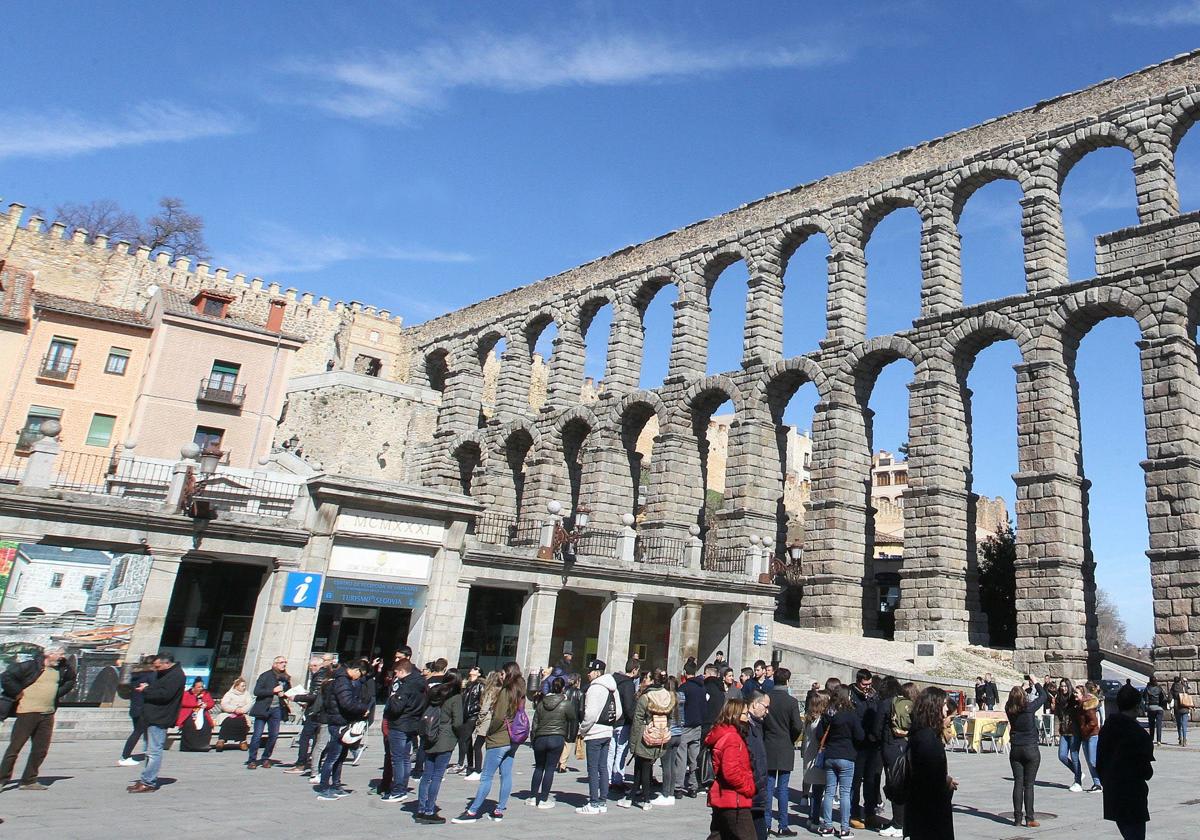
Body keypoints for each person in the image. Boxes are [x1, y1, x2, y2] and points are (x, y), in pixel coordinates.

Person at [453, 661, 526, 823]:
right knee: (506, 775)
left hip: (499, 739)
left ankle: (472, 812)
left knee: (486, 777)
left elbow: (498, 717)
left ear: (507, 673)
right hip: (513, 739)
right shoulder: (521, 691)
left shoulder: (506, 692)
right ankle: (499, 810)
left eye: (502, 673)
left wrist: (489, 731)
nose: (500, 676)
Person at [0, 648, 76, 790]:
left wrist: (57, 693)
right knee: (15, 748)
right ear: (49, 654)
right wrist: (17, 692)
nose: (62, 657)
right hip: (27, 712)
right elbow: (6, 677)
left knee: (40, 749)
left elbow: (71, 680)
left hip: (47, 713)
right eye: (60, 654)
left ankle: (29, 780)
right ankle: (2, 779)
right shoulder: (30, 666)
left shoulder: (61, 669)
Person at [1096, 684, 1155, 840]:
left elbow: (1099, 763)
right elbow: (1146, 772)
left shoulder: (1107, 728)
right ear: (1137, 706)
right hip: (1133, 794)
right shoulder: (1139, 734)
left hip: (1113, 791)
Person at [127, 652, 185, 793]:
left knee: (154, 751)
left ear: (167, 663)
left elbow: (164, 695)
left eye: (158, 665)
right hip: (151, 716)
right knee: (149, 750)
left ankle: (149, 782)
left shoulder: (176, 676)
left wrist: (146, 690)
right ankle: (145, 778)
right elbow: (158, 689)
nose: (156, 668)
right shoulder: (165, 673)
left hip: (160, 717)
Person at [315, 658, 370, 800]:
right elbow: (347, 703)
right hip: (338, 722)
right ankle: (324, 787)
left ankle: (336, 785)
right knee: (333, 756)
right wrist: (362, 709)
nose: (360, 678)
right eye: (360, 674)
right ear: (356, 670)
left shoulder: (341, 678)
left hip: (342, 720)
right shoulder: (342, 680)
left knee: (340, 756)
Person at [904, 686, 956, 840]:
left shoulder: (922, 733)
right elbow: (929, 776)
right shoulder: (927, 738)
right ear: (934, 707)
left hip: (922, 807)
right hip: (929, 810)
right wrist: (945, 781)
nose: (946, 709)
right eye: (944, 705)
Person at [705, 697, 757, 840]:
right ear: (735, 715)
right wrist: (748, 787)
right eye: (745, 714)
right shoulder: (732, 738)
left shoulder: (723, 733)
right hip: (734, 800)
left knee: (718, 835)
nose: (747, 717)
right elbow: (731, 772)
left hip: (723, 797)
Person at [575, 658, 622, 815]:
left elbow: (590, 714)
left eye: (590, 671)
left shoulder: (595, 688)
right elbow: (619, 711)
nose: (588, 674)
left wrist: (582, 730)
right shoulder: (612, 687)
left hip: (594, 732)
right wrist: (609, 723)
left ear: (596, 672)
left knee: (593, 768)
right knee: (603, 767)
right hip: (607, 731)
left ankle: (594, 802)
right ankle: (602, 800)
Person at [625, 669, 676, 811]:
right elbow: (670, 718)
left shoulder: (646, 697)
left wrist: (633, 743)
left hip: (645, 733)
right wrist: (663, 730)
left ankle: (645, 799)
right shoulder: (669, 696)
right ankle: (633, 796)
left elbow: (637, 720)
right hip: (660, 735)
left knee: (643, 767)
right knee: (646, 766)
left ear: (653, 680)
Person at [381, 647, 427, 803]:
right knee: (405, 758)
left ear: (401, 671)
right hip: (412, 723)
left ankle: (399, 789)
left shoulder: (407, 685)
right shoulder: (420, 681)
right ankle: (401, 787)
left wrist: (393, 697)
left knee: (398, 758)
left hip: (401, 723)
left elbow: (397, 706)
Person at [415, 675, 462, 823]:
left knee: (427, 774)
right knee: (437, 775)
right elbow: (458, 722)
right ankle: (429, 811)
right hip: (445, 739)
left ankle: (421, 809)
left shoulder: (435, 692)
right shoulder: (455, 697)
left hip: (430, 736)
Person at [762, 666, 803, 838]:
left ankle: (765, 824)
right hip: (785, 745)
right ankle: (783, 825)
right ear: (787, 681)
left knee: (769, 787)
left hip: (769, 745)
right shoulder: (791, 702)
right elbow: (797, 726)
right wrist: (791, 738)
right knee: (783, 788)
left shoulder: (767, 699)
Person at [817, 685, 863, 837]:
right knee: (844, 793)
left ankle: (827, 826)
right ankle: (844, 828)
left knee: (829, 792)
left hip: (830, 755)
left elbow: (819, 733)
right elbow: (860, 735)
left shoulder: (828, 713)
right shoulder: (851, 714)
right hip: (847, 755)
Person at [1005, 676, 1047, 827]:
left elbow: (1013, 700)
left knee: (1018, 783)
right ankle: (1029, 818)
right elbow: (1044, 696)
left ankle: (1017, 819)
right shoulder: (1029, 708)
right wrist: (1035, 682)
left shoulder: (1008, 709)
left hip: (1016, 749)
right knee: (1028, 785)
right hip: (1030, 748)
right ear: (1024, 697)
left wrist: (1020, 688)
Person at [528, 674, 575, 808]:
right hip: (557, 737)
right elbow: (573, 719)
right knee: (549, 769)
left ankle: (532, 797)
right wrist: (568, 735)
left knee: (538, 767)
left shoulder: (541, 703)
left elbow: (535, 723)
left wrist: (533, 739)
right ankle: (543, 799)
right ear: (563, 689)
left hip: (541, 738)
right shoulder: (566, 703)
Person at [879, 680, 915, 838]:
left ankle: (898, 824)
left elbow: (876, 728)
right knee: (903, 784)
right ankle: (901, 821)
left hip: (891, 747)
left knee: (895, 784)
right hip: (906, 746)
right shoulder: (910, 704)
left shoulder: (886, 704)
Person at [849, 668, 882, 831]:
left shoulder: (874, 694)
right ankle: (853, 813)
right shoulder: (851, 695)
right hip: (858, 744)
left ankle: (870, 813)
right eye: (864, 684)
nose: (867, 687)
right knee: (855, 781)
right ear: (858, 682)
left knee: (871, 781)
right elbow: (854, 718)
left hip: (872, 744)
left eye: (869, 684)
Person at [282, 656, 328, 770]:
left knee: (305, 738)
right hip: (320, 711)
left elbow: (315, 696)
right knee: (317, 739)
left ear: (321, 666)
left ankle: (301, 763)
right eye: (310, 666)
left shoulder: (319, 676)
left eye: (315, 666)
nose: (312, 668)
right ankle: (314, 764)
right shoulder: (323, 675)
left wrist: (296, 697)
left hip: (315, 712)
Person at [246, 655, 291, 769]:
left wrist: (285, 694)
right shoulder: (266, 675)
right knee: (257, 735)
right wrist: (272, 691)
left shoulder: (285, 677)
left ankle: (266, 757)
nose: (283, 664)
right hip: (263, 708)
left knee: (274, 735)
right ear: (275, 664)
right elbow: (257, 691)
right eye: (281, 662)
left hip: (276, 709)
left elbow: (287, 690)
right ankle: (252, 759)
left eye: (285, 662)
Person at [119, 655, 156, 766]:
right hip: (143, 708)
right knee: (138, 731)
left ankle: (147, 751)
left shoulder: (136, 675)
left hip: (135, 706)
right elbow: (154, 690)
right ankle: (124, 756)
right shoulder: (151, 675)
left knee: (142, 731)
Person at [801, 690, 830, 830]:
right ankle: (814, 819)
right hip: (816, 758)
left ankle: (812, 816)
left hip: (809, 756)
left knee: (816, 790)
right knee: (818, 791)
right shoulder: (819, 721)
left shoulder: (809, 718)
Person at [678, 662, 707, 798]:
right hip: (698, 725)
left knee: (681, 757)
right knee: (694, 758)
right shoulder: (701, 687)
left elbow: (679, 708)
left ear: (685, 672)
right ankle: (693, 786)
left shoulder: (684, 687)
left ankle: (678, 787)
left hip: (685, 726)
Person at [610, 657, 639, 790]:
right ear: (634, 670)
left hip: (611, 720)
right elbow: (628, 706)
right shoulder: (628, 684)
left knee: (611, 751)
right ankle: (618, 779)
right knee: (621, 751)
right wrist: (633, 719)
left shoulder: (614, 680)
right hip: (623, 722)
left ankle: (608, 778)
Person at [746, 690, 771, 840]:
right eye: (765, 706)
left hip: (758, 792)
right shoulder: (746, 727)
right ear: (755, 704)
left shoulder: (757, 725)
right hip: (749, 791)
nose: (767, 711)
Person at [469, 670, 502, 783]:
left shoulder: (490, 691)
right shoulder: (500, 691)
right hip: (494, 721)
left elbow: (484, 708)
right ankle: (486, 769)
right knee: (489, 747)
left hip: (486, 721)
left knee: (477, 745)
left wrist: (479, 719)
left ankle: (478, 770)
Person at [656, 673, 684, 806]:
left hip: (669, 733)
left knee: (666, 766)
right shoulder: (682, 697)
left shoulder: (667, 698)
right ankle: (671, 793)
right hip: (679, 733)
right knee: (673, 765)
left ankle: (666, 793)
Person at [1051, 677, 1083, 790]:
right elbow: (1057, 716)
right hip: (1064, 731)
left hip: (1074, 731)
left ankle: (1078, 782)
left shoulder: (1073, 698)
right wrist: (1055, 733)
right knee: (1062, 756)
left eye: (1065, 686)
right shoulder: (1059, 699)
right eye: (1062, 686)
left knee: (1074, 756)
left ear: (1068, 686)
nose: (1063, 688)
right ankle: (1078, 772)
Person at [1072, 683, 1102, 791]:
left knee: (1093, 760)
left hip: (1092, 735)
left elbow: (1094, 722)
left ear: (1082, 694)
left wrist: (1084, 730)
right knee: (1090, 762)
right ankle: (1097, 784)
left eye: (1076, 693)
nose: (1074, 694)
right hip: (1085, 736)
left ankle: (1104, 780)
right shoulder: (1079, 705)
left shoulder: (1087, 705)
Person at [456, 665, 483, 775]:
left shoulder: (480, 685)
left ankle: (461, 763)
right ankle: (469, 765)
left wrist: (473, 709)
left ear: (479, 673)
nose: (472, 669)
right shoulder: (467, 684)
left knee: (463, 739)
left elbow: (481, 701)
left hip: (472, 715)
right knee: (467, 741)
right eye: (472, 668)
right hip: (464, 714)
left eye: (476, 669)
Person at [177, 678, 215, 751]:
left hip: (202, 713)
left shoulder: (206, 694)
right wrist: (196, 704)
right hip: (189, 713)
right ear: (193, 687)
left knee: (206, 725)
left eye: (202, 687)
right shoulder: (186, 693)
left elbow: (211, 703)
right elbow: (183, 702)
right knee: (190, 724)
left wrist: (205, 705)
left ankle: (203, 745)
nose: (201, 688)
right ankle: (189, 746)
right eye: (199, 687)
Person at [216, 677, 253, 751]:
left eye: (245, 686)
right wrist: (234, 709)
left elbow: (249, 704)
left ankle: (242, 741)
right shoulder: (229, 694)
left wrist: (242, 710)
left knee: (242, 722)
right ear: (236, 686)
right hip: (229, 713)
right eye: (242, 686)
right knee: (227, 721)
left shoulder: (246, 694)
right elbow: (224, 704)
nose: (244, 687)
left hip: (241, 714)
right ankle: (221, 740)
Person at [560, 671, 583, 773]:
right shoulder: (580, 693)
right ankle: (563, 763)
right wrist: (582, 721)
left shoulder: (563, 691)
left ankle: (559, 761)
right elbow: (581, 710)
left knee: (562, 741)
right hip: (573, 721)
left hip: (562, 719)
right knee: (569, 742)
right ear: (577, 681)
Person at [1141, 676, 1167, 746]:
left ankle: (1151, 739)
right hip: (1159, 708)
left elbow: (1145, 699)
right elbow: (1164, 697)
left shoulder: (1147, 689)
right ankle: (1159, 740)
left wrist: (1146, 709)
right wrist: (1162, 706)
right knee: (1159, 725)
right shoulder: (1159, 688)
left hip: (1151, 708)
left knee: (1151, 725)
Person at [1170, 675, 1191, 747]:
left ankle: (1180, 738)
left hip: (1177, 708)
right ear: (1179, 680)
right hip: (1185, 706)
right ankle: (1185, 739)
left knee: (1179, 724)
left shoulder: (1173, 687)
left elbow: (1169, 698)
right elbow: (1188, 693)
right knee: (1184, 725)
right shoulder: (1183, 686)